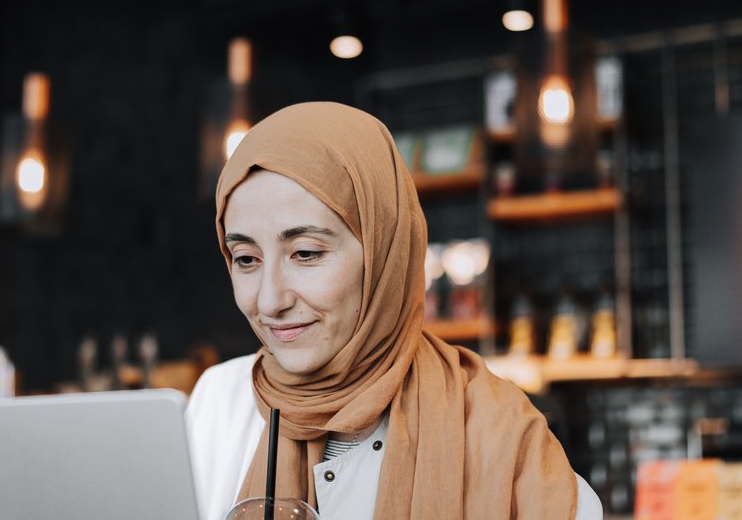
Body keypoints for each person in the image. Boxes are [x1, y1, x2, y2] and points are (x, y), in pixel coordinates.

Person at [186, 102, 603, 519]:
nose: (270, 300)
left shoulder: (504, 440)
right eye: (245, 259)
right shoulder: (218, 402)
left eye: (306, 253)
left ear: (387, 253)